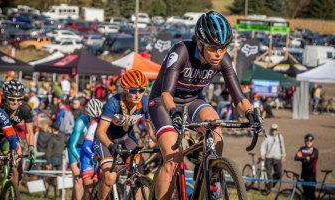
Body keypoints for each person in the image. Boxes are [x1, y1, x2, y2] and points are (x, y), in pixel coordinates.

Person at [147, 11, 260, 199]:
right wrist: (174, 113)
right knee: (173, 160)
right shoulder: (181, 51)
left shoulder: (223, 59)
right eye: (214, 47)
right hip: (163, 103)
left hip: (192, 100)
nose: (219, 53)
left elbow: (239, 98)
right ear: (200, 43)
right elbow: (166, 94)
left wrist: (250, 113)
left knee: (215, 123)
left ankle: (211, 177)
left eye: (223, 47)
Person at [94, 70, 155, 199]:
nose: (138, 94)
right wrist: (110, 146)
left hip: (126, 138)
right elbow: (100, 132)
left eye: (141, 90)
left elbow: (151, 132)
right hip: (106, 140)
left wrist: (161, 143)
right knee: (110, 177)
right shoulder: (113, 103)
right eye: (133, 91)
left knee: (138, 174)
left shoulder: (144, 103)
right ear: (125, 90)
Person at [0, 80, 35, 185]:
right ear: (5, 97)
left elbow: (29, 132)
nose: (15, 102)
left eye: (19, 99)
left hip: (8, 136)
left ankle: (14, 193)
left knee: (18, 167)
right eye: (11, 99)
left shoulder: (25, 108)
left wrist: (31, 148)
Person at [68, 98, 99, 200]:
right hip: (76, 149)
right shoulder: (81, 120)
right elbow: (72, 144)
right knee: (78, 177)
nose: (94, 120)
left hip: (89, 149)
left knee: (92, 180)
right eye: (92, 118)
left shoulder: (100, 121)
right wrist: (78, 158)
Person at [80, 98, 103, 200]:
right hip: (88, 158)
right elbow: (85, 146)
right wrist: (92, 156)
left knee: (102, 190)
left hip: (101, 155)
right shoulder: (94, 124)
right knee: (89, 191)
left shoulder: (106, 121)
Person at [260, 124, 286, 189]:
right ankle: (269, 188)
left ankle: (271, 185)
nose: (274, 131)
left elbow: (282, 147)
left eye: (276, 130)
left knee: (279, 174)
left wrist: (283, 156)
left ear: (278, 130)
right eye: (273, 130)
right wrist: (262, 154)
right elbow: (263, 147)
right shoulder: (267, 137)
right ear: (271, 130)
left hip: (277, 158)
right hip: (269, 159)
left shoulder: (280, 137)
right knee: (268, 174)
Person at [295, 133, 319, 200]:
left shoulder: (315, 150)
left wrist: (302, 156)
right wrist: (305, 157)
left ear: (313, 142)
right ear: (305, 141)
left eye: (310, 141)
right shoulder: (302, 148)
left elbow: (309, 161)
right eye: (307, 141)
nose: (308, 142)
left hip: (311, 175)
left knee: (311, 194)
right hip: (304, 174)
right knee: (305, 194)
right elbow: (296, 158)